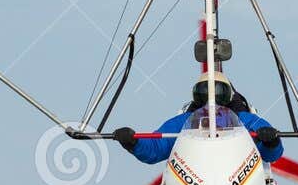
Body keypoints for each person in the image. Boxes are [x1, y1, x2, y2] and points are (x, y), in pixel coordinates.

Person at [113, 71, 283, 165]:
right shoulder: (183, 122)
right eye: (203, 94)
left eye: (219, 93)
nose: (212, 101)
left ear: (229, 96)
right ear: (196, 97)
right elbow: (155, 148)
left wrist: (270, 141)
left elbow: (272, 154)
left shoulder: (247, 120)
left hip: (236, 179)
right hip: (198, 179)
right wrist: (132, 141)